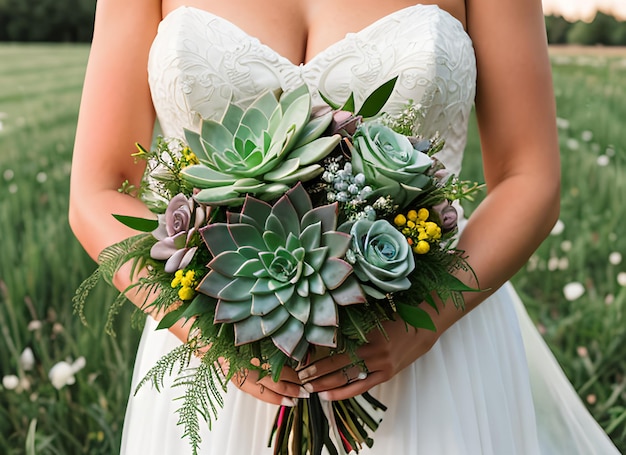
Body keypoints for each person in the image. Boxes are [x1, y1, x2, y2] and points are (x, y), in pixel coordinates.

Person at [69, 0, 619, 453]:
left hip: (430, 344)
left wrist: (423, 321)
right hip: (226, 359)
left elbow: (530, 176)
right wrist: (210, 334)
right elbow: (98, 187)